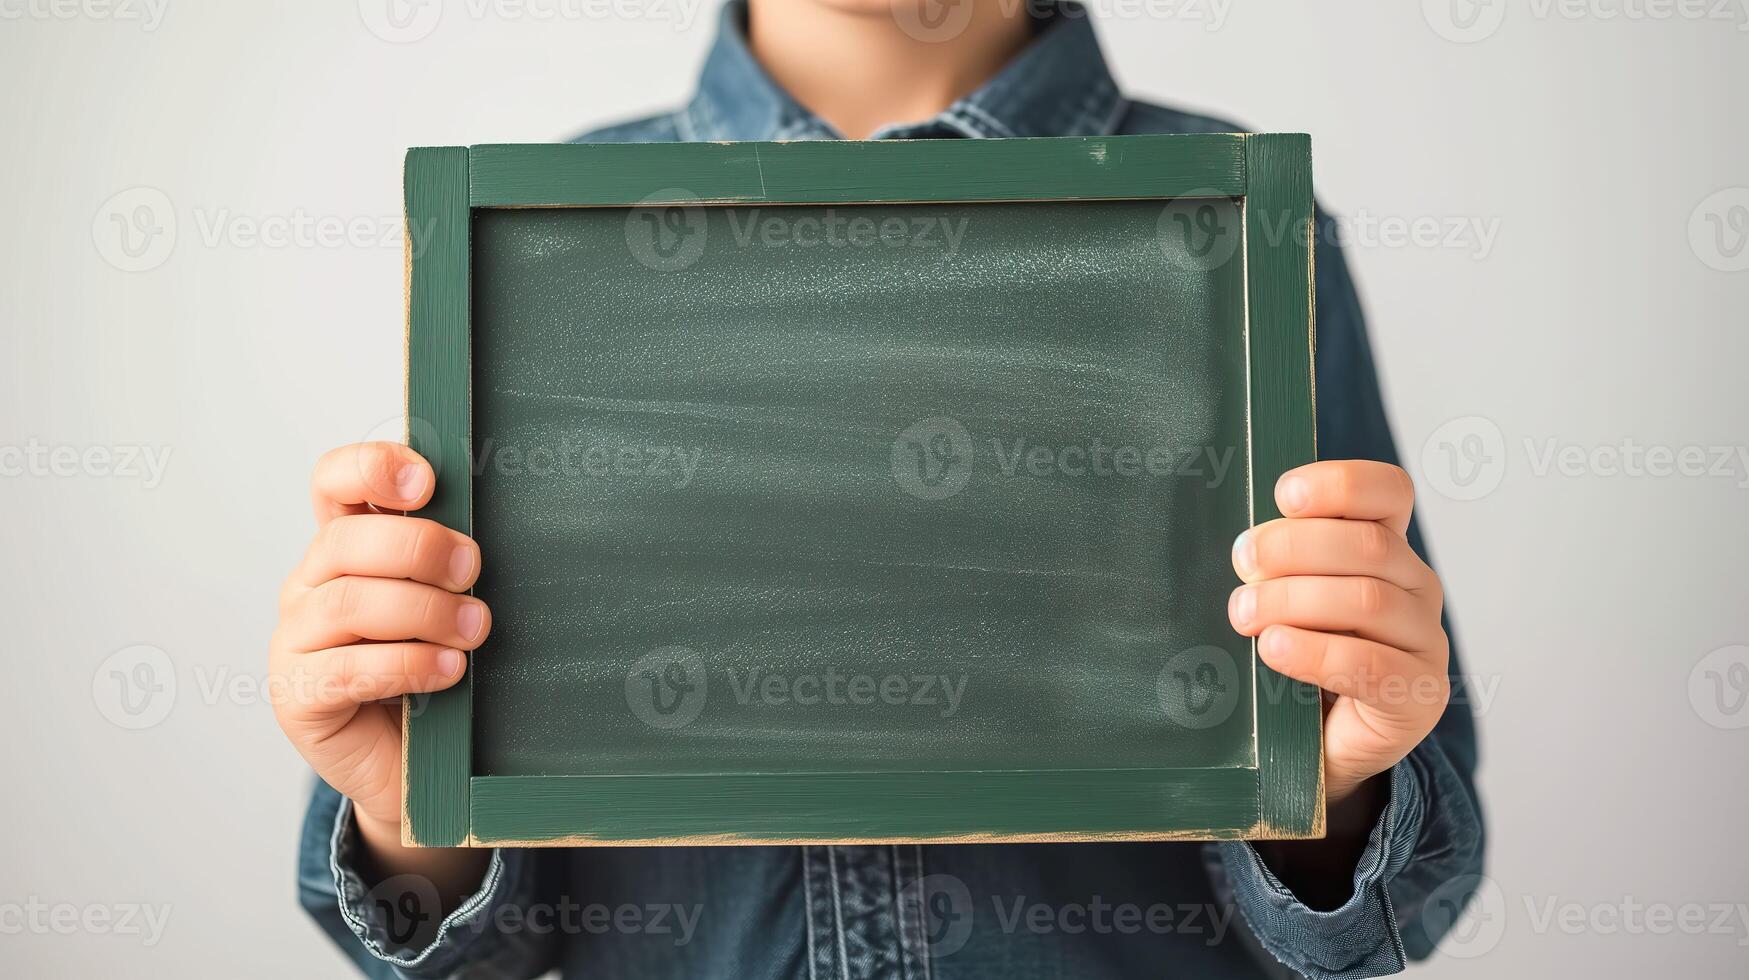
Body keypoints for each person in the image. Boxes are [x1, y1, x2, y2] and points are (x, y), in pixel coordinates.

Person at [274, 1, 1484, 976]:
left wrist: (1332, 777)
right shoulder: (533, 247)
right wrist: (406, 811)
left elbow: (1399, 905)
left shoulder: (1238, 242)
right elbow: (475, 948)